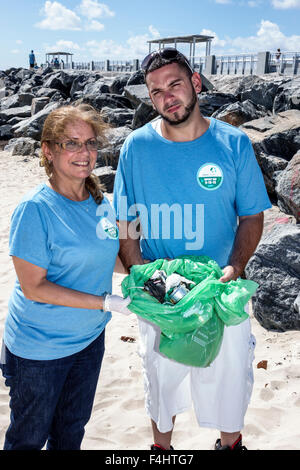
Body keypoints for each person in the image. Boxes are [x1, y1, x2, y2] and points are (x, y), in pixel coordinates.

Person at [113, 48, 272, 451]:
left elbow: (252, 216)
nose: (168, 97)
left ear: (196, 83)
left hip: (220, 287)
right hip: (161, 291)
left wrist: (235, 268)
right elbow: (126, 221)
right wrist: (141, 275)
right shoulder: (136, 147)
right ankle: (162, 451)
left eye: (175, 85)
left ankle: (230, 445)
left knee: (230, 380)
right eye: (156, 92)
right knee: (160, 383)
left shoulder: (233, 143)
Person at [0, 103, 130, 450]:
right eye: (71, 143)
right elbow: (34, 287)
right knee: (28, 438)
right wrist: (105, 302)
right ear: (48, 151)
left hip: (89, 340)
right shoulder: (35, 209)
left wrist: (150, 272)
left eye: (89, 143)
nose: (84, 152)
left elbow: (108, 258)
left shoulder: (101, 202)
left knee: (70, 433)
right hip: (39, 350)